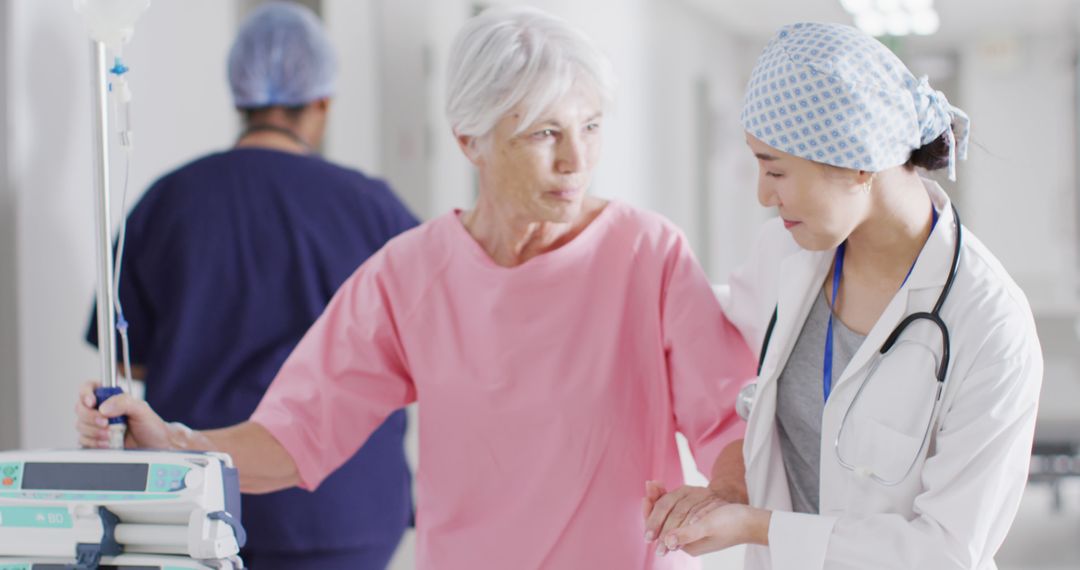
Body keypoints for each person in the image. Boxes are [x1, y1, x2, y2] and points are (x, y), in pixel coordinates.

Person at [78, 5, 756, 569]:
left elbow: (728, 415)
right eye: (546, 132)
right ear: (470, 140)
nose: (577, 159)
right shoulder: (412, 273)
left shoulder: (648, 252)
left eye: (591, 126)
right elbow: (295, 435)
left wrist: (722, 495)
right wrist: (174, 442)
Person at [643, 22, 1043, 569]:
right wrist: (728, 490)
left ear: (859, 161)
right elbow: (707, 345)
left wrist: (759, 526)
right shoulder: (783, 255)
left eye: (775, 169)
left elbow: (947, 552)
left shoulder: (990, 325)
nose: (763, 194)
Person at [83, 3, 417, 568]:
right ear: (322, 102)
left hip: (198, 505)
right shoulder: (375, 210)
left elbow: (127, 363)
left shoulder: (168, 202)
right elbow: (419, 356)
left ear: (239, 96)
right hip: (341, 511)